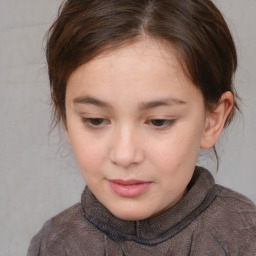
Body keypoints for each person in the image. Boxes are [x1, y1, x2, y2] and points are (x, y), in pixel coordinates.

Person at [27, 0, 256, 255]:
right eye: (95, 120)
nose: (125, 155)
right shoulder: (54, 245)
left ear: (211, 120)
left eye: (159, 121)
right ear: (64, 117)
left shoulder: (245, 237)